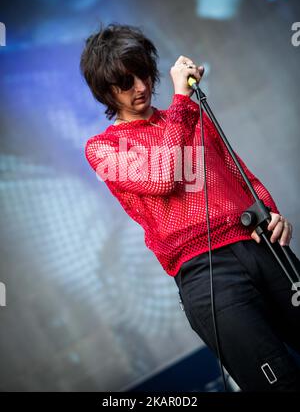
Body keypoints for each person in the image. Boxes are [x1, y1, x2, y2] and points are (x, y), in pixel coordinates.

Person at [81, 23, 300, 391]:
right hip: (208, 275)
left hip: (262, 247)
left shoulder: (188, 117)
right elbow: (164, 176)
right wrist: (182, 101)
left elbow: (239, 174)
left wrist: (271, 213)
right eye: (125, 82)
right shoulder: (102, 149)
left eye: (144, 74)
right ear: (105, 92)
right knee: (278, 382)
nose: (141, 87)